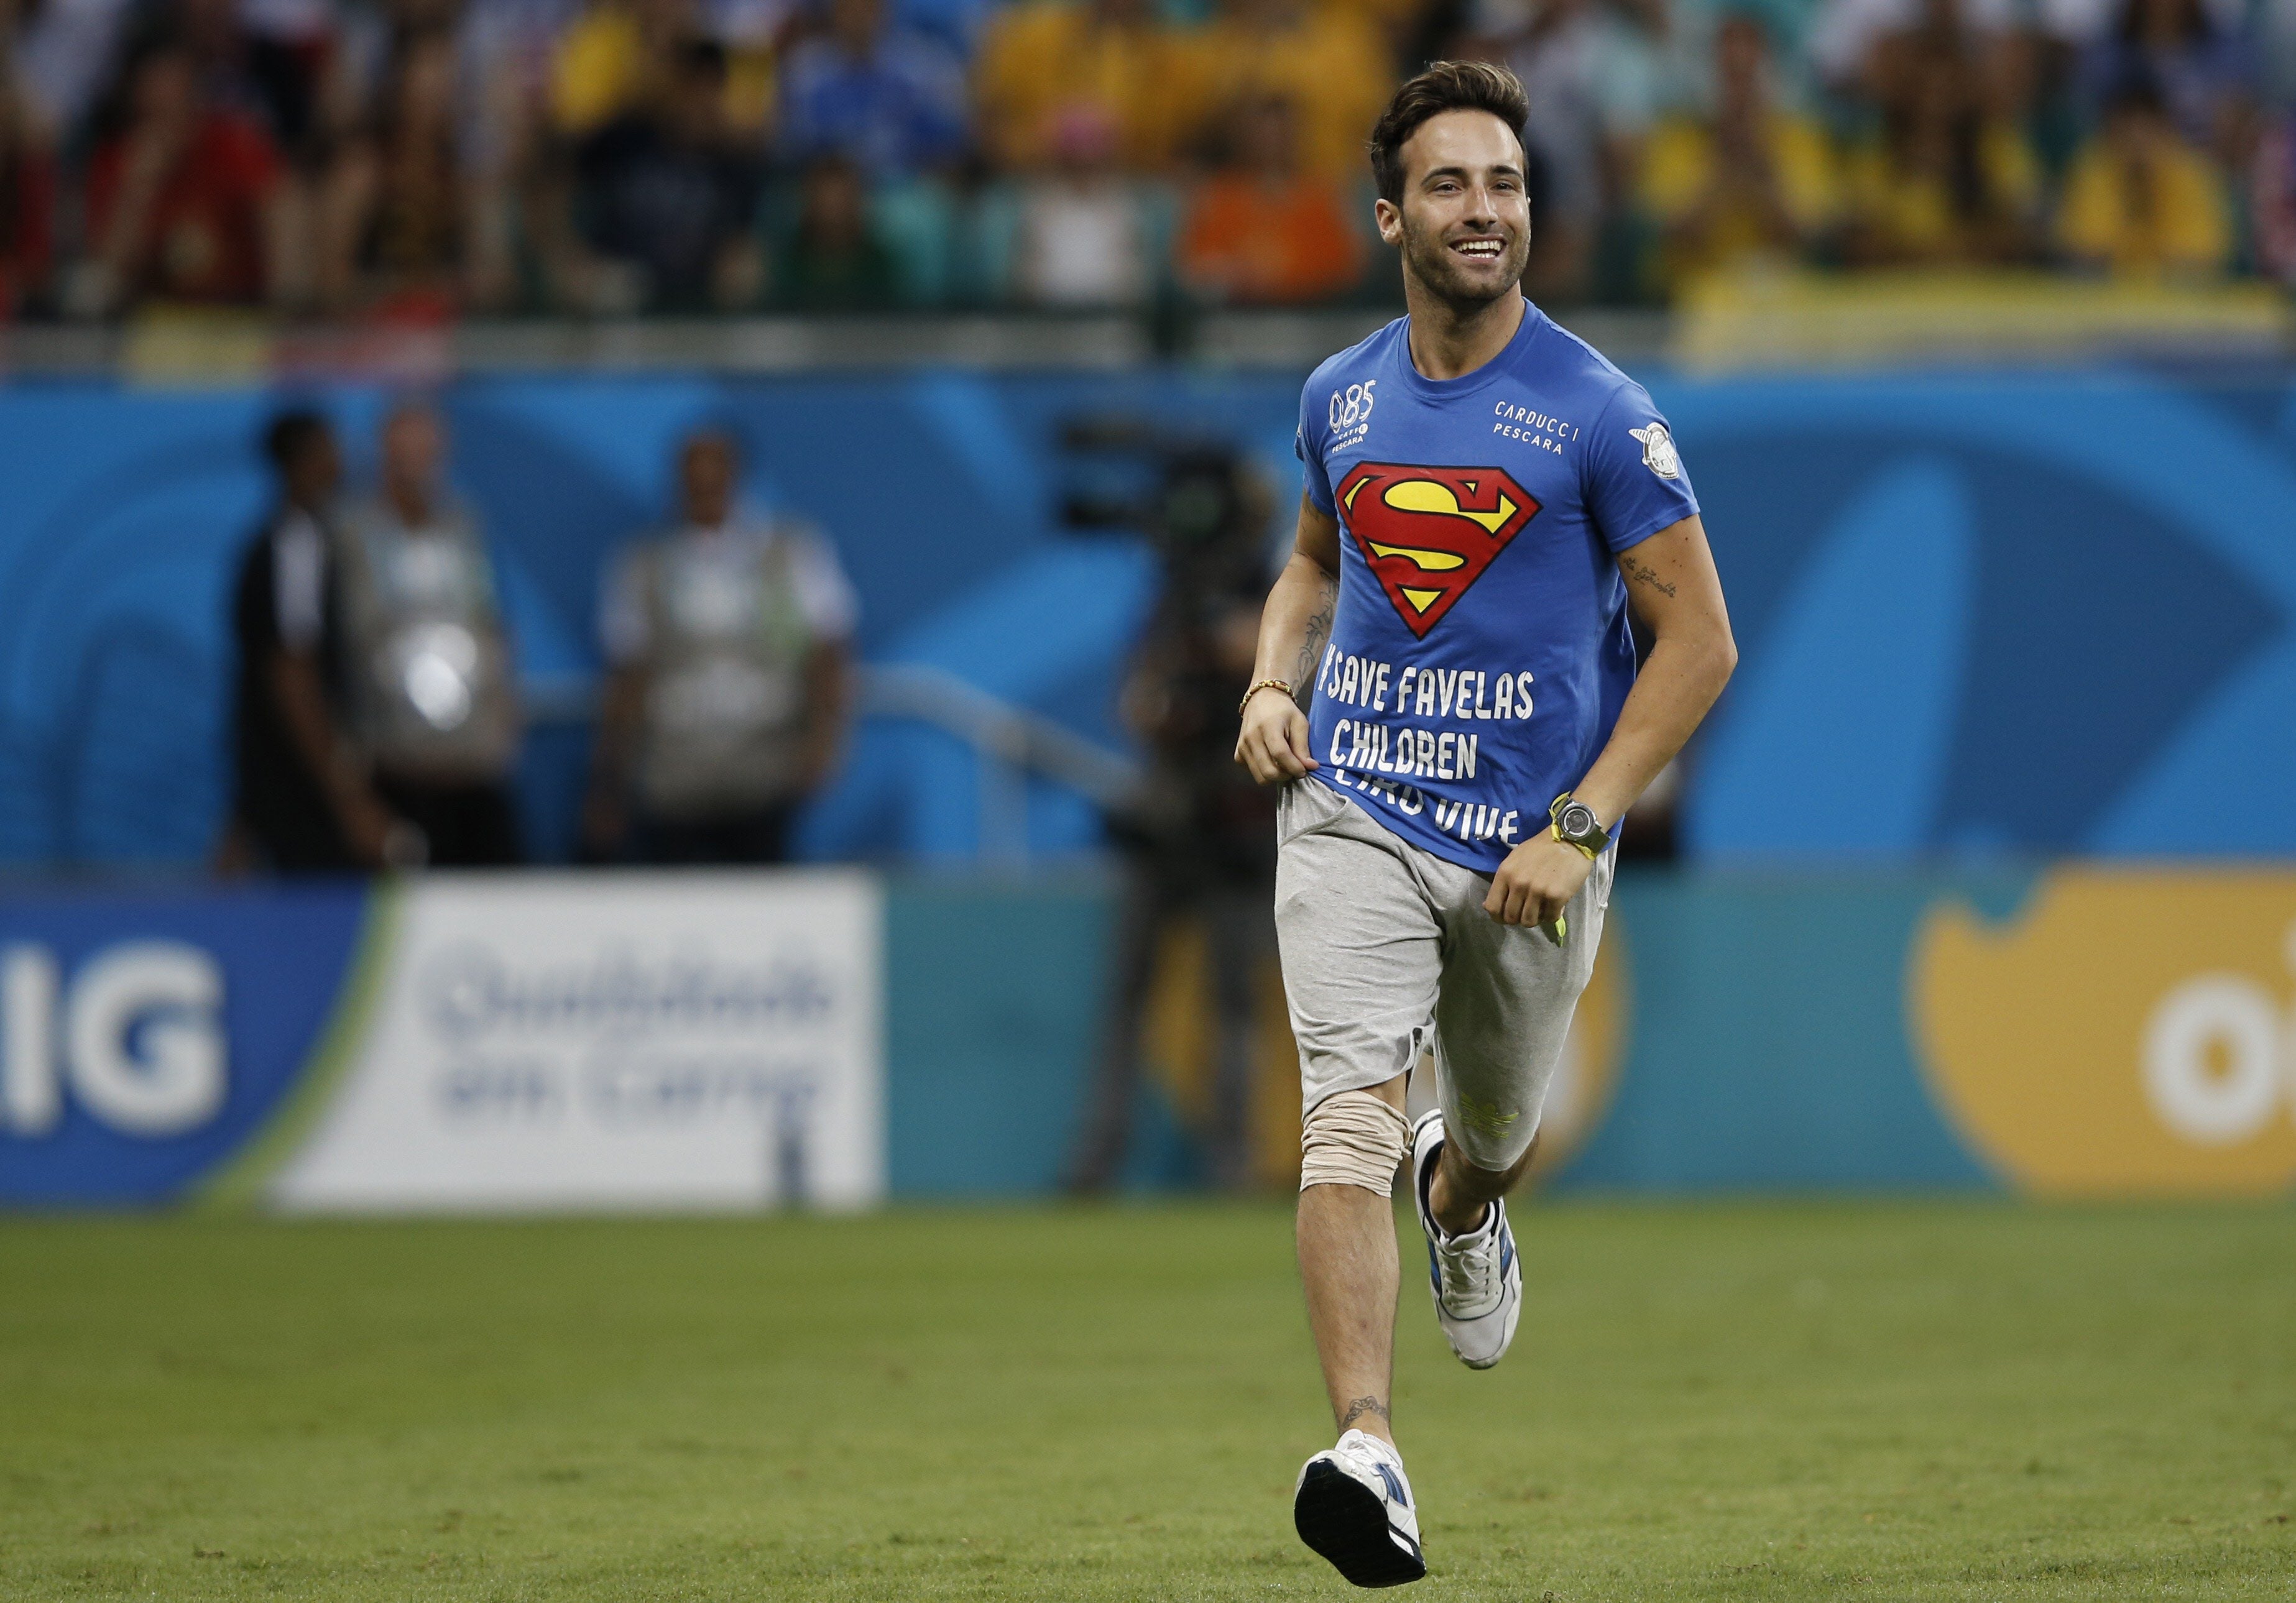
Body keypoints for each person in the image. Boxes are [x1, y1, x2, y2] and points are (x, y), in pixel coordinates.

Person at [1233, 61, 1736, 1586]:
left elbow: (1697, 643)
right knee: (1342, 1111)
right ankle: (1368, 1449)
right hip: (1355, 807)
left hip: (1529, 854)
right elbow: (1314, 563)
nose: (1482, 209)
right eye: (1448, 183)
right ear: (1388, 214)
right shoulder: (1341, 394)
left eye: (1505, 184)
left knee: (1494, 1137)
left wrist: (1577, 826)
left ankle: (1466, 1203)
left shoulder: (1595, 412)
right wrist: (1272, 678)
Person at [583, 428, 857, 865]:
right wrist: (608, 781)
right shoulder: (642, 565)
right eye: (694, 478)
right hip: (670, 778)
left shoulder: (786, 554)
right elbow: (625, 677)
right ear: (677, 481)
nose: (704, 489)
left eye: (715, 476)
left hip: (764, 774)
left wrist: (823, 741)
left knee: (761, 913)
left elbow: (826, 651)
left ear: (737, 477)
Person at [334, 401, 526, 866]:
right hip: (396, 768)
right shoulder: (351, 536)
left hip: (473, 767)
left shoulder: (466, 529)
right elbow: (339, 651)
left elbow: (492, 625)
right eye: (402, 455)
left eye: (426, 454)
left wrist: (505, 726)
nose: (414, 468)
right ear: (382, 456)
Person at [228, 409, 412, 873]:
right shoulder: (297, 544)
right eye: (331, 448)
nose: (342, 460)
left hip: (288, 776)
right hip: (300, 783)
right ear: (304, 460)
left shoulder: (309, 539)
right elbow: (293, 673)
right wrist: (348, 797)